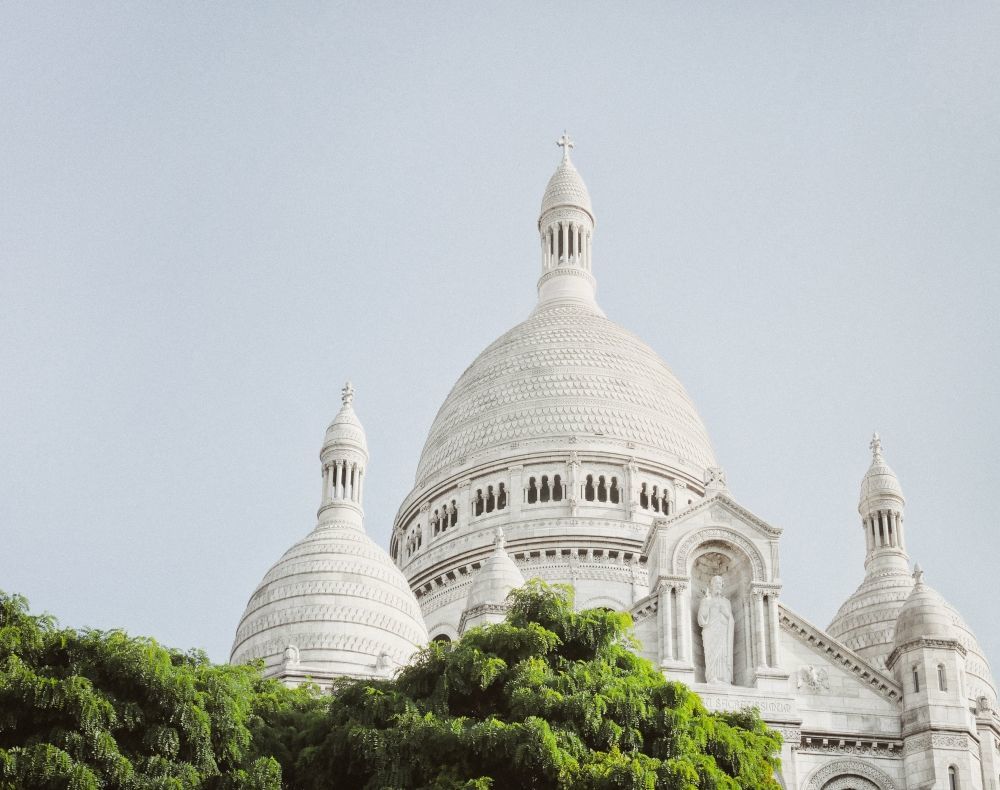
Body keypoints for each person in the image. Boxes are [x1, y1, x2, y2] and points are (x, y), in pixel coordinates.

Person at [697, 575, 734, 684]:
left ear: (722, 586)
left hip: (723, 631)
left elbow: (731, 619)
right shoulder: (706, 600)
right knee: (711, 654)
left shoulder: (726, 602)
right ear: (711, 585)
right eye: (716, 583)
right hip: (710, 631)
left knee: (723, 653)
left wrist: (726, 613)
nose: (718, 585)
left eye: (720, 583)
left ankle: (724, 678)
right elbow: (701, 618)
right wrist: (706, 606)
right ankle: (712, 677)